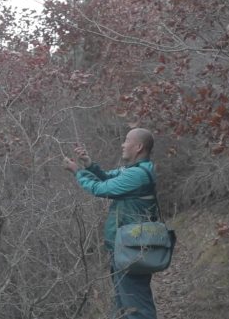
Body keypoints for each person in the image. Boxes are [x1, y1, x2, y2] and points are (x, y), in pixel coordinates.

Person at [63, 128, 159, 319]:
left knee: (136, 305)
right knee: (124, 304)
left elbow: (100, 188)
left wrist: (77, 172)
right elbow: (107, 178)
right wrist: (87, 163)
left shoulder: (137, 175)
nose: (123, 144)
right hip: (127, 246)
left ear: (138, 147)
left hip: (132, 249)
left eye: (126, 140)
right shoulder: (135, 170)